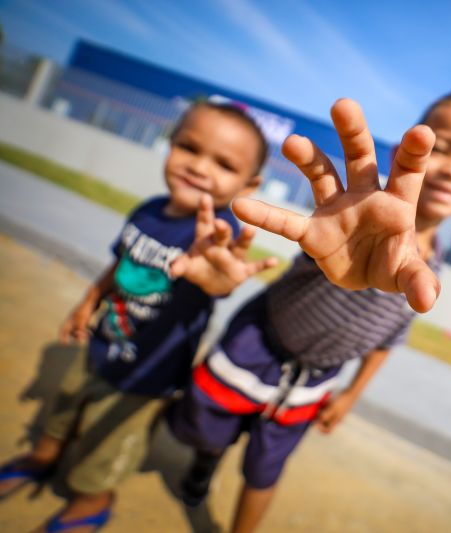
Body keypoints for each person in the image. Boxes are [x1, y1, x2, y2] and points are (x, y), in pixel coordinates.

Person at [167, 91, 451, 533]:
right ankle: (205, 463)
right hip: (259, 342)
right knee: (206, 430)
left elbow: (387, 341)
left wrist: (350, 395)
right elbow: (325, 245)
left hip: (316, 377)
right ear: (405, 154)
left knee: (267, 468)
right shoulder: (354, 216)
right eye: (442, 148)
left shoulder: (429, 270)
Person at [0, 101, 276, 532]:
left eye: (223, 164)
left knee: (108, 443)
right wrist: (88, 301)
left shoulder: (215, 234)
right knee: (65, 404)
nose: (200, 167)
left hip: (147, 373)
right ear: (170, 143)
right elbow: (121, 263)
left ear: (249, 183)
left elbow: (216, 279)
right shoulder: (147, 210)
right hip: (100, 341)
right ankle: (44, 457)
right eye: (189, 147)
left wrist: (217, 278)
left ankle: (93, 498)